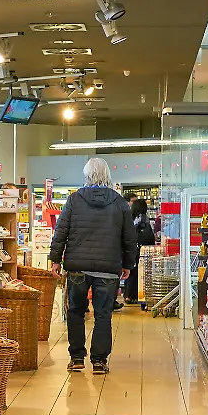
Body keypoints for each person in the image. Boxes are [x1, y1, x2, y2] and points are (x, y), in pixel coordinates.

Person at [49, 156, 137, 375]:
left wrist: (55, 259)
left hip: (77, 268)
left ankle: (77, 357)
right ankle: (99, 361)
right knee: (103, 314)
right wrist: (128, 263)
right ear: (107, 175)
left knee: (76, 311)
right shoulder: (119, 202)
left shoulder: (74, 200)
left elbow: (61, 232)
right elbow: (129, 238)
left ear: (86, 175)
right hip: (108, 268)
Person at [125, 196, 156, 305]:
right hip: (141, 249)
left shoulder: (129, 217)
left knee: (131, 272)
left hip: (131, 248)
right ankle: (135, 295)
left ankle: (128, 295)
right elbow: (148, 236)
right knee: (139, 272)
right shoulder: (143, 218)